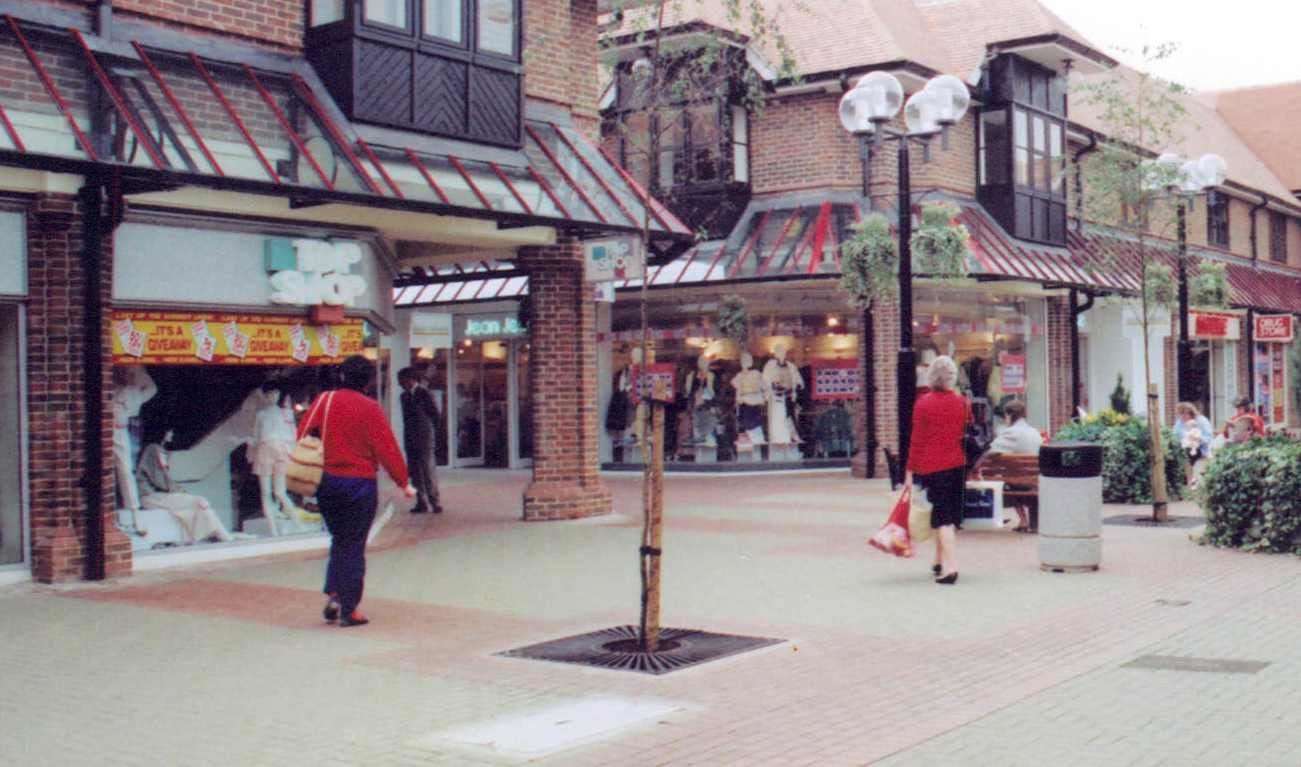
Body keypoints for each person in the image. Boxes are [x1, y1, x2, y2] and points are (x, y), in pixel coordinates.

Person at [298, 355, 414, 628]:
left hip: (326, 480)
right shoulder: (370, 408)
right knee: (354, 544)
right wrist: (403, 482)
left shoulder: (324, 401)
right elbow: (387, 448)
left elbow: (303, 433)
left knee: (340, 539)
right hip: (359, 483)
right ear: (369, 381)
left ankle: (335, 593)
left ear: (342, 376)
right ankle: (349, 609)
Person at [905, 355, 969, 585]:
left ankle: (951, 568)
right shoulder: (962, 402)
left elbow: (917, 440)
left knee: (943, 519)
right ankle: (938, 560)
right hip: (957, 464)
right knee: (948, 515)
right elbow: (965, 429)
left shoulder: (923, 403)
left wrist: (910, 471)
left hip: (933, 466)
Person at [983, 400, 1043, 532]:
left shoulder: (1010, 433)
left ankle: (1023, 520)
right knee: (1016, 476)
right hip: (1035, 481)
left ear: (1009, 415)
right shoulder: (1035, 432)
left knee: (1005, 478)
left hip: (1017, 482)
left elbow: (991, 452)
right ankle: (1031, 523)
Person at [398, 367, 442, 514]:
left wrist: (432, 433)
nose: (400, 384)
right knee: (415, 471)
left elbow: (435, 415)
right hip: (410, 437)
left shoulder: (424, 394)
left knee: (427, 469)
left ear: (411, 379)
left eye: (402, 380)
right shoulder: (403, 397)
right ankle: (421, 502)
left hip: (424, 437)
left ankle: (434, 501)